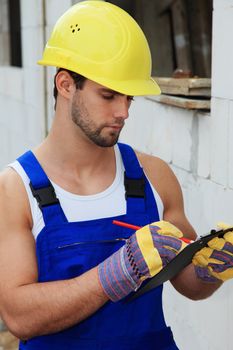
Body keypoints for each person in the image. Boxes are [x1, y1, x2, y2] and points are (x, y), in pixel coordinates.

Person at [0, 1, 232, 349]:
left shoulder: (154, 177)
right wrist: (114, 274)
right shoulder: (16, 190)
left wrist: (211, 268)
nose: (123, 112)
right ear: (65, 85)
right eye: (108, 95)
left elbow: (190, 285)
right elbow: (19, 317)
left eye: (129, 97)